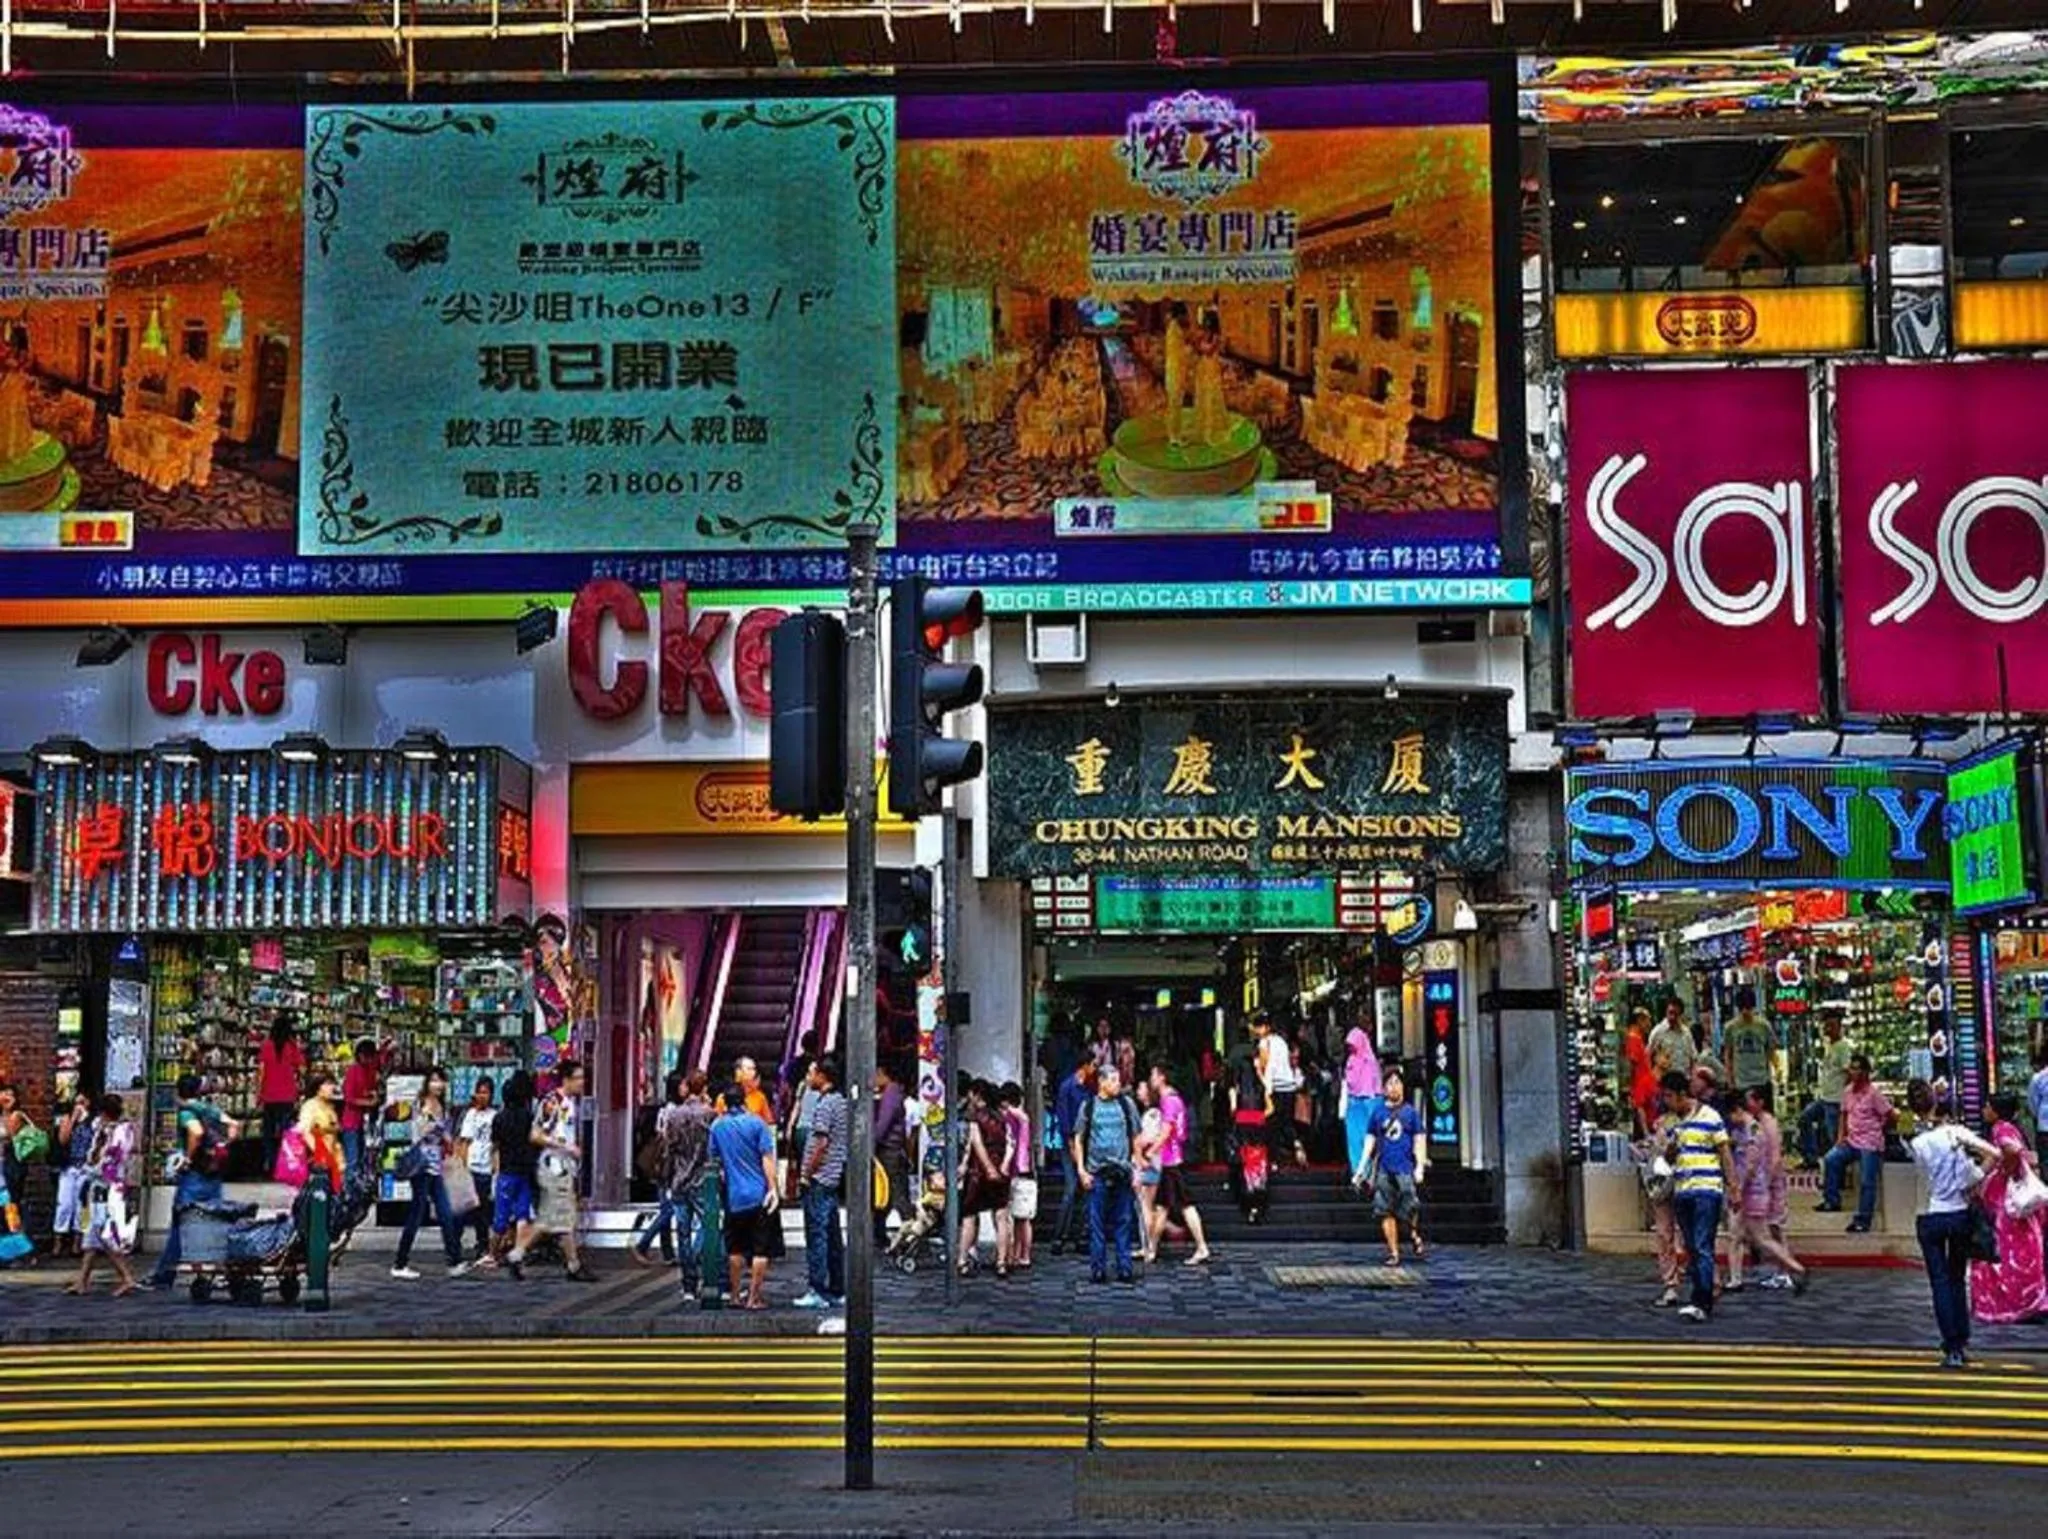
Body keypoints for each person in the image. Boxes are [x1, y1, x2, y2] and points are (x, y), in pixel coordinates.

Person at [1904, 1078, 1999, 1369]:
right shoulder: (1956, 1134)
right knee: (1957, 1278)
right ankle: (1962, 1340)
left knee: (1939, 1282)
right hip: (1958, 1212)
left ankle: (1951, 1347)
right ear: (1936, 1102)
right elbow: (1994, 1154)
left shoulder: (1916, 1144)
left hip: (1929, 1215)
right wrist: (1974, 1179)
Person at [1661, 1070, 1739, 1322]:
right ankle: (1700, 1293)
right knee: (1692, 1246)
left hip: (1707, 1189)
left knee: (1703, 1244)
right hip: (1684, 1189)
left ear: (1683, 1094)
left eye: (1670, 1096)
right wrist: (1670, 1150)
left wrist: (1733, 1186)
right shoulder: (1676, 1123)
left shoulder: (1711, 1116)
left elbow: (1725, 1153)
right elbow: (1670, 1158)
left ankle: (1702, 1300)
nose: (1667, 1102)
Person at [147, 1072, 237, 1289]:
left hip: (194, 1175)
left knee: (181, 1222)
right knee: (215, 1219)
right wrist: (223, 1146)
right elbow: (233, 1124)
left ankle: (164, 1273)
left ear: (178, 1092)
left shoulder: (187, 1112)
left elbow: (195, 1133)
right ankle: (219, 1268)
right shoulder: (211, 1109)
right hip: (213, 1174)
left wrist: (188, 1158)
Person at [1972, 1091, 2048, 1325]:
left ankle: (2016, 1303)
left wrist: (2003, 1172)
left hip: (2008, 1205)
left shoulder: (2000, 1129)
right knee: (2026, 1251)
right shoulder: (2013, 1128)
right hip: (2016, 1205)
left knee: (2008, 1251)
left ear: (1996, 1110)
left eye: (1987, 1106)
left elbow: (2012, 1151)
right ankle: (2032, 1301)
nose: (1984, 1110)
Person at [391, 1066, 471, 1281]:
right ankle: (400, 1262)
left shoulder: (442, 1106)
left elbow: (446, 1135)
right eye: (434, 1080)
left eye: (441, 1081)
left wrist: (446, 1137)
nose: (438, 1085)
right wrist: (435, 1127)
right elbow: (418, 1133)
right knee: (416, 1215)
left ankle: (454, 1260)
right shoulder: (420, 1105)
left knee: (445, 1213)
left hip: (436, 1165)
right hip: (421, 1166)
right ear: (427, 1083)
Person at [1725, 1092, 1809, 1295]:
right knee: (1736, 1236)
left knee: (1760, 1237)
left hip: (1751, 1192)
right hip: (1754, 1191)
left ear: (1737, 1110)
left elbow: (1750, 1164)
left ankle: (1795, 1267)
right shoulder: (1748, 1129)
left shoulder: (1752, 1130)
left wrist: (1737, 1188)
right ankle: (1735, 1278)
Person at [709, 1083, 781, 1310]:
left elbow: (714, 1160)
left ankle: (734, 1296)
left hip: (734, 1197)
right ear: (744, 1100)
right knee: (761, 1249)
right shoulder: (757, 1124)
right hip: (759, 1194)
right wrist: (774, 1189)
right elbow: (767, 1159)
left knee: (735, 1248)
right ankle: (754, 1297)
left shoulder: (717, 1127)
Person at [520, 1060, 592, 1282]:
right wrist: (565, 1147)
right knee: (557, 1219)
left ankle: (571, 1264)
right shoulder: (552, 1102)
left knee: (559, 1219)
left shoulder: (570, 1103)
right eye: (578, 1078)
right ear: (566, 1079)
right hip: (553, 1167)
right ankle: (571, 1265)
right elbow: (535, 1135)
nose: (582, 1082)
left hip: (563, 1167)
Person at [1073, 1064, 1140, 1285]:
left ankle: (1124, 1267)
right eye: (1113, 1080)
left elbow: (1135, 1137)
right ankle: (1098, 1269)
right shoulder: (1089, 1106)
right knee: (1096, 1223)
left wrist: (1137, 1168)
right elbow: (1078, 1139)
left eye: (1118, 1080)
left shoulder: (1126, 1104)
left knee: (1124, 1221)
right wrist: (1082, 1170)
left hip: (1122, 1170)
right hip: (1097, 1172)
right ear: (1101, 1082)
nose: (1117, 1084)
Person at [65, 1095, 138, 1298]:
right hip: (98, 1187)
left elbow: (108, 1164)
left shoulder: (118, 1134)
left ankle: (126, 1277)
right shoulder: (107, 1130)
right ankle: (82, 1281)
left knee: (103, 1234)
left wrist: (89, 1170)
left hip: (106, 1190)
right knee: (92, 1235)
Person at [794, 1057, 849, 1311]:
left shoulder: (826, 1105)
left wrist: (806, 1173)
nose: (808, 1077)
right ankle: (837, 1288)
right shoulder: (841, 1102)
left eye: (811, 1073)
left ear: (823, 1076)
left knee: (817, 1235)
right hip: (832, 1177)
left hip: (819, 1178)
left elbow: (820, 1144)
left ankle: (817, 1288)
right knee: (832, 1235)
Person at [655, 1072, 716, 1301]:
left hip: (679, 1179)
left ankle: (688, 1284)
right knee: (708, 1226)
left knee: (682, 1231)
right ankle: (700, 1259)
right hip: (702, 1179)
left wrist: (667, 1176)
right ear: (704, 1089)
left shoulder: (675, 1115)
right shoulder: (710, 1115)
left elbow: (668, 1149)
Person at [1819, 1054, 1892, 1233]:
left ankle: (1863, 1219)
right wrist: (1840, 1138)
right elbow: (1843, 1115)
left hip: (1870, 1143)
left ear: (1866, 1072)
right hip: (1851, 1141)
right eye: (1852, 1068)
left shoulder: (1874, 1094)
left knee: (1868, 1181)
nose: (1855, 1072)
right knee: (1831, 1159)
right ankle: (1832, 1201)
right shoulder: (1847, 1091)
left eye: (1859, 1068)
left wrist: (1880, 1128)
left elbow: (1890, 1114)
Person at [1362, 1070, 1429, 1268]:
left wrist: (1419, 1167)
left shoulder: (1410, 1113)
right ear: (1383, 1089)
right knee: (1385, 1210)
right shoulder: (1378, 1113)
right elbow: (1370, 1140)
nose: (1394, 1087)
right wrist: (1361, 1168)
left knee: (1410, 1206)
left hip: (1405, 1169)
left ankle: (1414, 1233)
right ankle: (1394, 1252)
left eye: (1397, 1083)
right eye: (1390, 1083)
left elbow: (1419, 1140)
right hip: (1384, 1168)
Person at [1147, 1064, 1211, 1267]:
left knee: (1182, 1205)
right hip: (1173, 1160)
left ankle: (1201, 1247)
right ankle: (1152, 1249)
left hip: (1171, 1161)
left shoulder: (1169, 1101)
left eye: (1153, 1075)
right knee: (1164, 1207)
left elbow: (1166, 1132)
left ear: (1162, 1077)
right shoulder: (1175, 1099)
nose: (1151, 1079)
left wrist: (1151, 1150)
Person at [633, 1072, 693, 1268]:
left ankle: (667, 1253)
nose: (686, 1088)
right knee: (669, 1209)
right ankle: (643, 1244)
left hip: (663, 1165)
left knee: (665, 1206)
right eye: (684, 1085)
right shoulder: (675, 1111)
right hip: (670, 1165)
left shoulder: (665, 1110)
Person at [956, 1080, 1011, 1276]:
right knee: (1001, 1215)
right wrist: (1002, 1166)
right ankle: (1002, 1262)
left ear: (977, 1095)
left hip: (978, 1172)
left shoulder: (975, 1118)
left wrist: (986, 1167)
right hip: (1001, 1170)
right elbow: (1010, 1144)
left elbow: (976, 1144)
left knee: (970, 1216)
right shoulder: (1003, 1118)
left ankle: (962, 1259)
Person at [492, 1071, 541, 1280]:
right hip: (525, 1171)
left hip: (506, 1171)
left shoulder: (499, 1118)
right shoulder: (529, 1117)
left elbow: (494, 1146)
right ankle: (516, 1255)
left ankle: (493, 1253)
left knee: (500, 1218)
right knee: (523, 1215)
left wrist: (495, 1169)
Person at [1051, 1061, 1096, 1255]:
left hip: (1086, 1143)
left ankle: (1081, 1236)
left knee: (1087, 1189)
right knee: (1070, 1189)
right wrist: (1071, 1146)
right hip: (1072, 1143)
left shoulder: (1089, 1088)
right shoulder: (1067, 1087)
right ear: (1084, 1066)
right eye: (1093, 1065)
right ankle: (1059, 1237)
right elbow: (1064, 1119)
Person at [1798, 1017, 1855, 1170]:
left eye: (1831, 1026)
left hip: (1836, 1099)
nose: (1828, 1029)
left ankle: (1839, 1170)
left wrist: (1846, 1092)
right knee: (1805, 1119)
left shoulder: (1843, 1048)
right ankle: (1811, 1158)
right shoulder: (1830, 1046)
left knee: (1834, 1136)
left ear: (1839, 1028)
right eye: (1826, 1026)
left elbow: (1849, 1071)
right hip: (1824, 1097)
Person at [453, 1077, 499, 1264]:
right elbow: (464, 1142)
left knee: (482, 1211)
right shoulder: (470, 1115)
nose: (482, 1096)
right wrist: (462, 1168)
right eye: (479, 1092)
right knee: (463, 1211)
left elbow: (496, 1146)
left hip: (485, 1168)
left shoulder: (495, 1116)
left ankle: (482, 1245)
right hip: (471, 1166)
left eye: (486, 1092)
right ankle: (454, 1245)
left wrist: (496, 1169)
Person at [1229, 1027, 1271, 1223]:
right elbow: (1269, 1104)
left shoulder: (1238, 1081)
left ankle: (1246, 1203)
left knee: (1245, 1161)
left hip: (1243, 1121)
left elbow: (1232, 1106)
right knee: (1258, 1161)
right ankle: (1258, 1201)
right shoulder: (1259, 1082)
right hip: (1258, 1123)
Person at [1253, 1012, 1305, 1168]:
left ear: (1266, 1027)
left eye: (1259, 1027)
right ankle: (1296, 1142)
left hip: (1274, 1087)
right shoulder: (1281, 1041)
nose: (1257, 1031)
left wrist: (1258, 1070)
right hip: (1289, 1086)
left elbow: (1263, 1065)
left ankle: (1274, 1161)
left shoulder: (1264, 1043)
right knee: (1287, 1122)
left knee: (1272, 1125)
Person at [257, 1013, 306, 1175]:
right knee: (286, 1132)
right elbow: (302, 1069)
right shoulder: (292, 1046)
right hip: (287, 1095)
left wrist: (258, 1093)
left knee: (268, 1133)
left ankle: (270, 1163)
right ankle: (286, 1165)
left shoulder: (266, 1045)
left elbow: (261, 1072)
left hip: (269, 1095)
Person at [52, 1091, 96, 1260]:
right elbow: (63, 1139)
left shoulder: (93, 1121)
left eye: (83, 1101)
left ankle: (78, 1242)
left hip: (85, 1167)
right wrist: (73, 1118)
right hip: (69, 1167)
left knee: (82, 1206)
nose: (80, 1105)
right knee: (64, 1204)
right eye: (77, 1102)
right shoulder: (66, 1118)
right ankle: (58, 1241)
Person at [999, 1081, 1038, 1270]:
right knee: (1024, 1218)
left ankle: (1017, 1254)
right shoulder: (1024, 1117)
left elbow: (1011, 1143)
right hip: (1028, 1169)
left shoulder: (1010, 1117)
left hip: (1016, 1169)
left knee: (1015, 1217)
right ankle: (1024, 1255)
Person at [873, 1062, 912, 1248]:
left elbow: (883, 1124)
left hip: (890, 1151)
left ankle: (911, 1233)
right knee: (885, 1195)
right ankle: (879, 1234)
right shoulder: (890, 1093)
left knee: (896, 1194)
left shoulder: (891, 1094)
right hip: (890, 1150)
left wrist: (872, 1142)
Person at [1341, 1021, 1385, 1182]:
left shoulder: (1370, 1061)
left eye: (1353, 1044)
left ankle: (1373, 1173)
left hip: (1371, 1102)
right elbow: (1348, 1083)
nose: (1351, 1048)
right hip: (1354, 1104)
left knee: (1372, 1138)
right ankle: (1359, 1172)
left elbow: (1376, 1086)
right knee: (1354, 1138)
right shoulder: (1351, 1061)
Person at [339, 1038, 385, 1181]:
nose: (368, 1059)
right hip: (351, 1122)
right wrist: (368, 1102)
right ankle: (350, 1193)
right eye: (365, 1056)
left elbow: (369, 1089)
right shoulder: (353, 1071)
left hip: (365, 1122)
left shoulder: (370, 1070)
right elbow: (349, 1098)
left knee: (362, 1159)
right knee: (353, 1160)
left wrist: (372, 1094)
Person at [1132, 1085, 1165, 1262]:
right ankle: (1148, 1246)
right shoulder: (1154, 1114)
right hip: (1154, 1162)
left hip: (1147, 1163)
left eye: (1142, 1089)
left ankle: (1149, 1247)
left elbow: (1148, 1139)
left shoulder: (1152, 1115)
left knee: (1145, 1207)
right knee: (1148, 1207)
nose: (1138, 1091)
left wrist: (1136, 1144)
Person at [1722, 986, 1774, 1094]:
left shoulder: (1764, 1026)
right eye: (1742, 1008)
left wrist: (1771, 1074)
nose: (1745, 1011)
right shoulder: (1730, 1027)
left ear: (1753, 1007)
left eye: (1748, 1008)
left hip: (1761, 1080)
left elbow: (1770, 1051)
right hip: (1741, 1082)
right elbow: (1728, 1055)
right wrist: (1730, 1080)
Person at [1621, 1009, 1659, 1138]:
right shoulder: (1633, 1038)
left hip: (1643, 1084)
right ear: (1640, 1020)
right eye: (1647, 1020)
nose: (1649, 1024)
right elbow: (1631, 1063)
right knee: (1641, 1111)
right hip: (1639, 1084)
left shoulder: (1638, 1038)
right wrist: (1628, 1085)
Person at [1647, 1001, 1695, 1081]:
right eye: (1670, 1013)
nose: (1672, 1017)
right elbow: (1648, 1055)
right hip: (1664, 1081)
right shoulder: (1658, 1032)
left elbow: (1692, 1057)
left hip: (1684, 1079)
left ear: (1681, 1015)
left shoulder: (1686, 1033)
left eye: (1676, 1014)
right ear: (1666, 1012)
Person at [734, 1057, 773, 1125]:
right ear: (738, 1072)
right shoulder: (724, 1097)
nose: (753, 1072)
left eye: (754, 1069)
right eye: (749, 1069)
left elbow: (769, 1123)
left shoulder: (760, 1097)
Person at [2029, 1043, 2048, 1169]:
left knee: (2046, 1161)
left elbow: (2033, 1103)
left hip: (2045, 1127)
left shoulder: (2039, 1078)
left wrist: (2039, 1117)